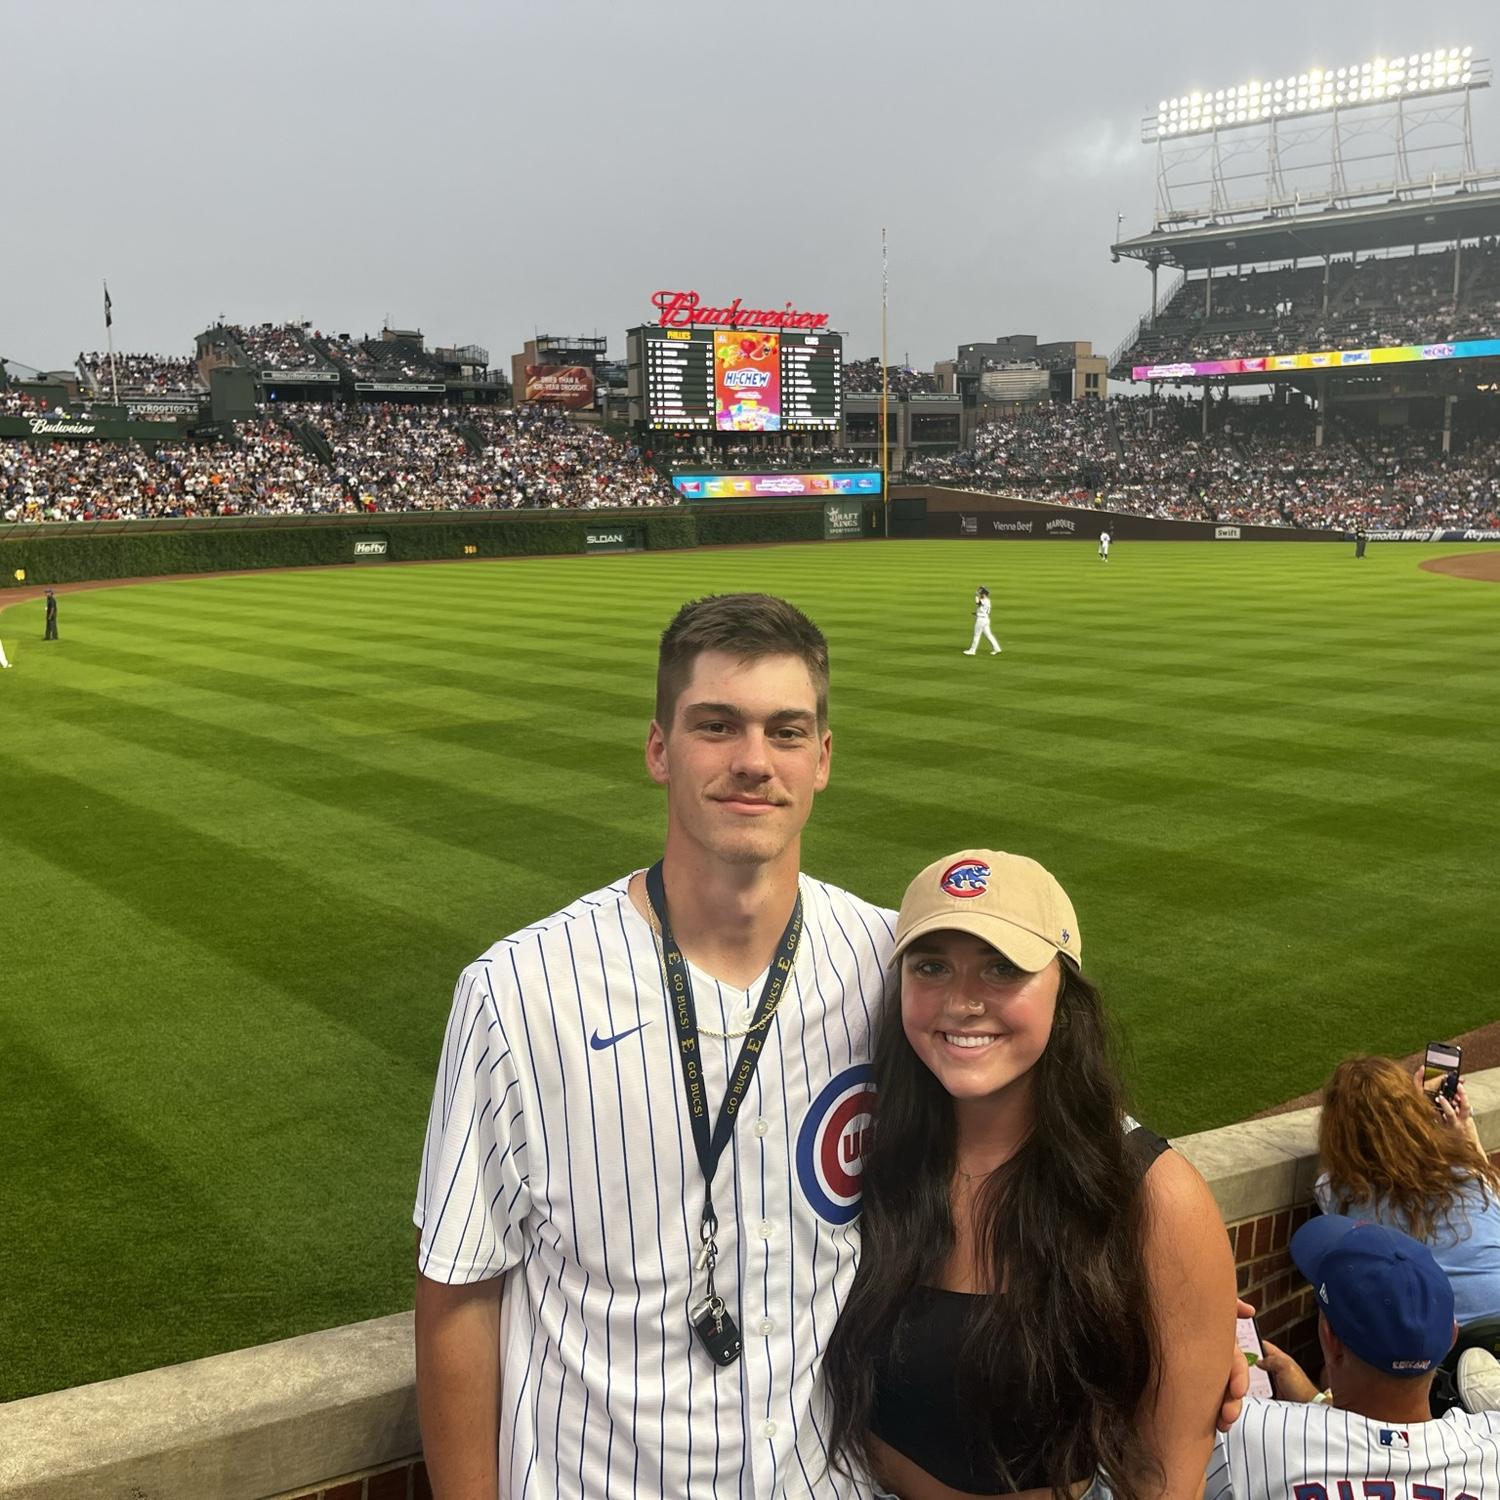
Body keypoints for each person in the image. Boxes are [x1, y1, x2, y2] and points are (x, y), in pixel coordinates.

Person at [412, 593, 898, 1499]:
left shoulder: (890, 963)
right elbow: (459, 1297)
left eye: (786, 732)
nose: (753, 760)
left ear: (823, 758)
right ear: (659, 749)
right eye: (717, 725)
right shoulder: (519, 992)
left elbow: (1058, 1138)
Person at [823, 850, 1237, 1499]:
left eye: (1003, 968)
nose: (962, 1002)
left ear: (1064, 992)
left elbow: (1164, 1477)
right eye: (931, 966)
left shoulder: (1155, 1197)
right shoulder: (857, 1156)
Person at [1205, 1215, 1500, 1500]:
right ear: (1451, 1339)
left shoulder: (1241, 1433)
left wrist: (1202, 1334)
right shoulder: (1491, 1444)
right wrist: (1313, 1398)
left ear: (1329, 1337)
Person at [1314, 1053, 1500, 1327]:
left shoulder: (1338, 1192)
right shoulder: (1468, 1175)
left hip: (1435, 1348)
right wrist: (1447, 1125)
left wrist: (1404, 1112)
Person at [964, 586, 1001, 656]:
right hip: (985, 619)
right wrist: (977, 613)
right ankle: (997, 648)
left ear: (984, 594)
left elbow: (978, 603)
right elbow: (982, 608)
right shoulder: (987, 600)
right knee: (989, 635)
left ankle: (972, 650)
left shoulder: (984, 600)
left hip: (981, 620)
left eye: (980, 592)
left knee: (977, 635)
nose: (979, 593)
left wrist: (976, 596)